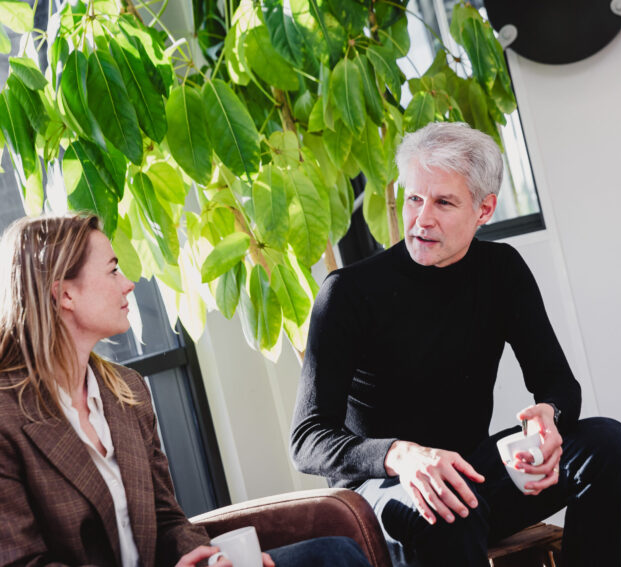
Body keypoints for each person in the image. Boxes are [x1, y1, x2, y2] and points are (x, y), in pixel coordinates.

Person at [290, 122, 621, 566]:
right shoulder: (347, 293)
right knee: (448, 505)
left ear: (484, 209)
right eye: (414, 198)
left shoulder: (502, 271)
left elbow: (557, 383)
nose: (421, 218)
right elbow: (307, 440)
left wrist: (548, 419)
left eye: (443, 202)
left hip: (470, 473)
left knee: (609, 444)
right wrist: (403, 455)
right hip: (381, 491)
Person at [0, 214, 372, 567]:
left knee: (333, 555)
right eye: (113, 270)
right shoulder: (7, 418)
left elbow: (167, 518)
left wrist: (211, 560)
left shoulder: (125, 392)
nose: (128, 283)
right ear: (65, 295)